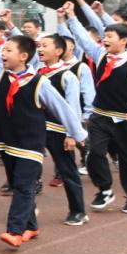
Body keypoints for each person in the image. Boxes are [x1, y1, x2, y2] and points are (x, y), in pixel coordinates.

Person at [0, 22, 86, 246]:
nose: (2, 53)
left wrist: (76, 133)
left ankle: (15, 230)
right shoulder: (0, 75)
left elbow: (62, 108)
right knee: (16, 183)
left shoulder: (40, 83)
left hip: (31, 144)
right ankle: (31, 226)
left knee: (23, 186)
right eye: (3, 50)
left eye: (8, 50)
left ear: (23, 56)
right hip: (7, 144)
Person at [65, 9, 127, 213]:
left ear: (124, 40)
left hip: (126, 120)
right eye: (104, 36)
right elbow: (85, 40)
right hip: (100, 116)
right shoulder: (100, 55)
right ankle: (105, 189)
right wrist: (71, 16)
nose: (105, 40)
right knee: (94, 153)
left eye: (110, 36)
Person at [33, 31, 93, 225]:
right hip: (36, 130)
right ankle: (28, 207)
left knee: (67, 171)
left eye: (45, 46)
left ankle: (78, 210)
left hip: (58, 131)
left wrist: (71, 134)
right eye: (39, 46)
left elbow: (72, 107)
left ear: (58, 51)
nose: (40, 50)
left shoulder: (67, 76)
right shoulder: (35, 74)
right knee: (29, 169)